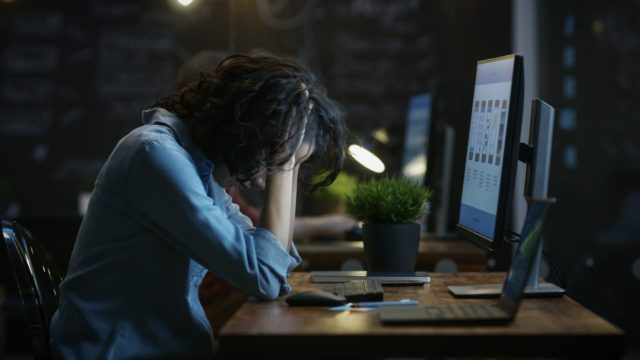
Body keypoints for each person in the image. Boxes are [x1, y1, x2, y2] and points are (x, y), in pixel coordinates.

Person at [50, 52, 347, 358]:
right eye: (268, 154)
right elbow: (266, 277)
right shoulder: (155, 155)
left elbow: (274, 266)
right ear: (245, 129)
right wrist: (284, 163)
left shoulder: (198, 170)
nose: (262, 176)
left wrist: (291, 158)